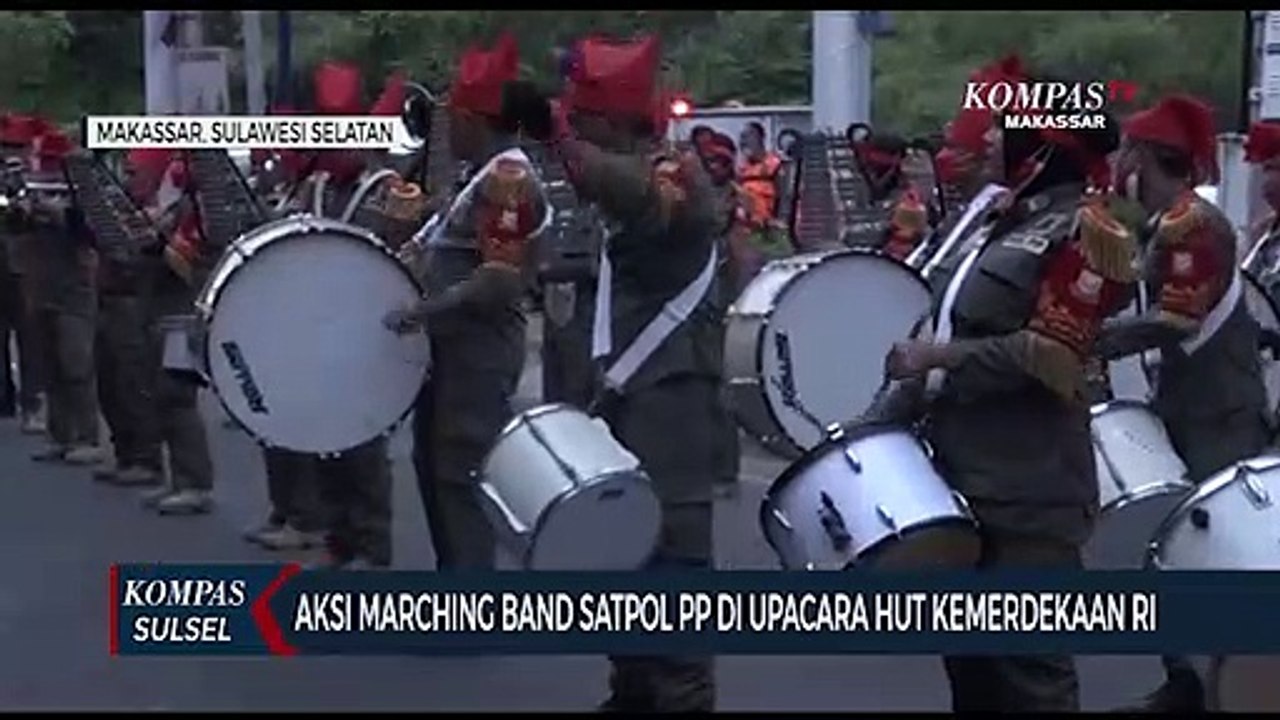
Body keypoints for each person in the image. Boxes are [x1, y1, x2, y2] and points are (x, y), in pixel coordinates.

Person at [848, 60, 1129, 712]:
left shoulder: (1087, 233)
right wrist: (877, 423)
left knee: (1030, 676)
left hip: (1030, 490)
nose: (991, 137)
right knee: (972, 674)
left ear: (1043, 146)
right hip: (961, 479)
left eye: (1006, 128)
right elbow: (948, 317)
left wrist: (938, 356)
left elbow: (1054, 355)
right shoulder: (997, 223)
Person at [530, 33, 723, 712]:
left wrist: (559, 138)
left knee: (674, 569)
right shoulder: (611, 193)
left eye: (582, 120)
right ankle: (632, 693)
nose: (574, 133)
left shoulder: (676, 179)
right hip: (615, 404)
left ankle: (680, 698)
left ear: (612, 123)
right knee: (621, 560)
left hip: (669, 408)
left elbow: (638, 195)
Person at [1099, 95, 1271, 714]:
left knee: (1223, 549)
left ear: (1145, 157)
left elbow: (1177, 319)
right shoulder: (1168, 223)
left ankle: (1236, 684)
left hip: (1218, 414)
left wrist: (1089, 339)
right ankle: (1191, 682)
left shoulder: (1193, 226)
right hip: (1188, 405)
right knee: (1176, 548)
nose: (1117, 164)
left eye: (1126, 151)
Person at [385, 33, 551, 570]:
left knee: (462, 473)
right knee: (434, 467)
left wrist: (423, 311)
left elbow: (499, 281)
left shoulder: (508, 181)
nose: (446, 130)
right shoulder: (474, 178)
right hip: (449, 347)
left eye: (451, 118)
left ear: (474, 121)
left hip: (478, 351)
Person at [258, 61, 399, 568]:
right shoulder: (314, 185)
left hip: (365, 332)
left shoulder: (388, 188)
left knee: (362, 443)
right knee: (322, 439)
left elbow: (398, 257)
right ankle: (339, 539)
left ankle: (372, 545)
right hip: (315, 330)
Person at [131, 152, 216, 515]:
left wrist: (159, 244)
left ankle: (195, 482)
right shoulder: (164, 204)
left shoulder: (192, 204)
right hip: (156, 307)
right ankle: (178, 477)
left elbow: (194, 264)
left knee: (177, 396)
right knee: (159, 396)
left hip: (182, 310)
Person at [24, 128, 105, 466]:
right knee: (50, 366)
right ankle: (60, 434)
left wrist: (59, 215)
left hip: (75, 289)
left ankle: (87, 437)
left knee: (77, 365)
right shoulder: (32, 189)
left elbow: (91, 234)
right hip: (42, 286)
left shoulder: (83, 192)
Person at [92, 148, 168, 489]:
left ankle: (146, 457)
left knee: (133, 380)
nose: (127, 177)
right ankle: (125, 451)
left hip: (134, 300)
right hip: (108, 295)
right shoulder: (121, 203)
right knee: (108, 381)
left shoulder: (163, 209)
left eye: (134, 171)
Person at [0, 113, 47, 431]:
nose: (10, 152)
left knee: (31, 337)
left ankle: (34, 403)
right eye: (5, 146)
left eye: (16, 146)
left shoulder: (41, 175)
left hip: (29, 265)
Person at [736, 121, 792, 268]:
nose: (744, 142)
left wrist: (780, 222)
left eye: (748, 136)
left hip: (771, 229)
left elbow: (785, 196)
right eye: (742, 137)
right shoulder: (741, 169)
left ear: (760, 139)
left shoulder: (775, 165)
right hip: (747, 230)